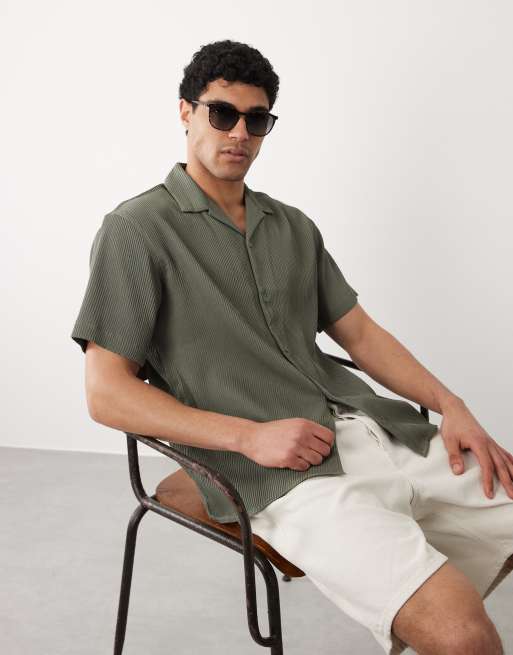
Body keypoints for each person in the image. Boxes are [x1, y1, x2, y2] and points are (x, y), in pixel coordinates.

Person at [71, 39, 513, 655]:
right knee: (462, 633)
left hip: (374, 430)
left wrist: (451, 404)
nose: (239, 133)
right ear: (186, 112)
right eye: (222, 113)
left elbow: (360, 334)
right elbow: (107, 394)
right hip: (275, 473)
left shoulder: (293, 227)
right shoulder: (137, 230)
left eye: (256, 120)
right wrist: (249, 437)